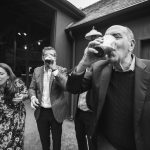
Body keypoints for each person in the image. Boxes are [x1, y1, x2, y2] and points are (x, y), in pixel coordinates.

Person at [66, 25, 150, 150]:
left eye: (116, 36)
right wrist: (84, 62)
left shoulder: (148, 69)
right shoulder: (98, 67)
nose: (110, 41)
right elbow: (73, 88)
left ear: (131, 45)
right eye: (106, 38)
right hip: (106, 144)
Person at [29, 46, 68, 150]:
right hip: (41, 111)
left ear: (55, 58)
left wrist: (54, 70)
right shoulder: (37, 71)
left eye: (52, 55)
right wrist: (33, 97)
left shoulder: (61, 70)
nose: (49, 57)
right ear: (42, 57)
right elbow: (32, 88)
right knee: (44, 140)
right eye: (47, 55)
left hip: (56, 111)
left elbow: (66, 87)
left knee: (57, 140)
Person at [0, 63, 28, 149]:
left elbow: (27, 93)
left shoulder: (17, 83)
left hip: (16, 117)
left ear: (8, 75)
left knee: (14, 142)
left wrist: (23, 97)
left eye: (1, 74)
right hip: (2, 116)